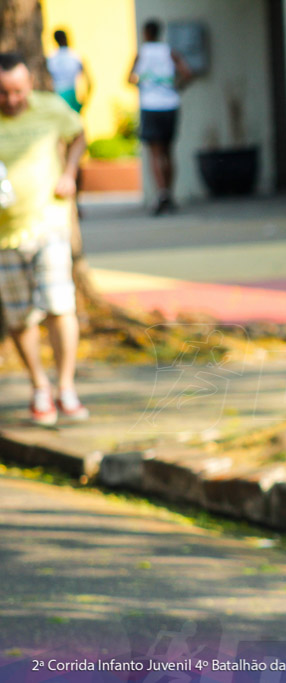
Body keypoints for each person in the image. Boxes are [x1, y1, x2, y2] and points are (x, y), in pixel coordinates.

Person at [0, 53, 89, 425]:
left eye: (17, 91)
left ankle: (66, 386)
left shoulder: (51, 108)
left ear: (30, 84)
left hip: (48, 223)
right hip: (5, 237)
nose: (11, 100)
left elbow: (79, 135)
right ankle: (40, 387)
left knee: (59, 304)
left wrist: (69, 173)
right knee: (20, 318)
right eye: (2, 94)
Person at [129, 19, 191, 216]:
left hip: (150, 105)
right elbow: (187, 72)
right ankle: (169, 193)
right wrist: (177, 86)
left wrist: (145, 85)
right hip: (170, 105)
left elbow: (129, 78)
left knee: (155, 153)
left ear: (146, 33)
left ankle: (161, 193)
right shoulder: (169, 52)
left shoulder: (142, 53)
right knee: (168, 151)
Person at [47, 30, 92, 114]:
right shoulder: (76, 57)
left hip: (57, 100)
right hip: (72, 99)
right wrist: (83, 102)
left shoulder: (50, 59)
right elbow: (90, 84)